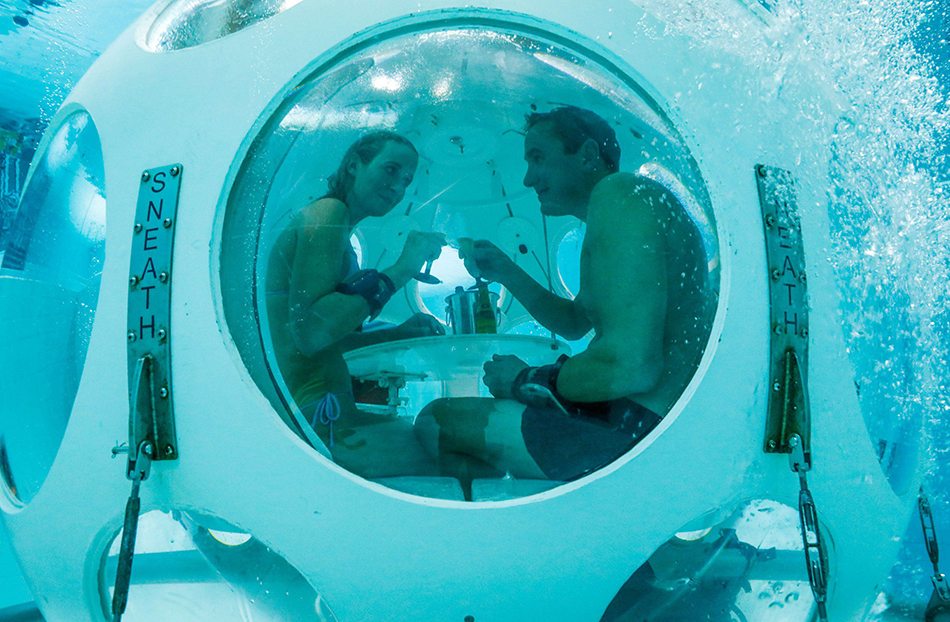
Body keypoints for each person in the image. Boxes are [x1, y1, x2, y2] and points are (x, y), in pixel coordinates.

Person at [417, 106, 711, 484]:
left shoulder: (618, 195)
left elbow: (631, 367)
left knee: (435, 420)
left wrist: (527, 378)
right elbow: (574, 323)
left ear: (586, 155)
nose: (527, 178)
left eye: (538, 158)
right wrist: (505, 270)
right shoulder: (619, 210)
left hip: (632, 432)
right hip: (639, 421)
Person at [266, 130, 445, 477]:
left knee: (442, 437)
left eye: (406, 180)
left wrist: (397, 334)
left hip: (327, 414)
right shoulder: (327, 212)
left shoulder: (341, 236)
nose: (398, 186)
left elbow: (322, 339)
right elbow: (312, 332)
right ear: (353, 165)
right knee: (455, 451)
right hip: (318, 425)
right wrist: (402, 269)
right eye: (391, 169)